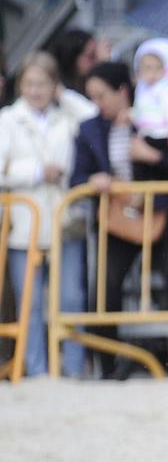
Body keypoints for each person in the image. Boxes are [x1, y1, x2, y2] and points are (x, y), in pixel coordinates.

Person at [70, 62, 168, 375]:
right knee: (105, 288)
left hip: (161, 215)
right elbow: (77, 176)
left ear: (122, 91)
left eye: (102, 95)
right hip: (118, 219)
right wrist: (93, 181)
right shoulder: (89, 129)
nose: (98, 103)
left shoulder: (152, 116)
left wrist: (153, 155)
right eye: (92, 97)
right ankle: (108, 364)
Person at [0, 53, 91, 376]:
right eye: (29, 84)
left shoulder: (66, 115)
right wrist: (37, 171)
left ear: (54, 86)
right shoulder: (8, 119)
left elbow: (91, 116)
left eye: (43, 84)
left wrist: (63, 95)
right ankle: (37, 369)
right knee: (31, 302)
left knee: (70, 297)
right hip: (25, 221)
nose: (36, 91)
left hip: (65, 219)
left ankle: (75, 367)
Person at [130, 39, 168, 149]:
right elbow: (140, 109)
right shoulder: (142, 87)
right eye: (147, 68)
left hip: (163, 136)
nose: (152, 74)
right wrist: (132, 115)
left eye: (157, 68)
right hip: (144, 134)